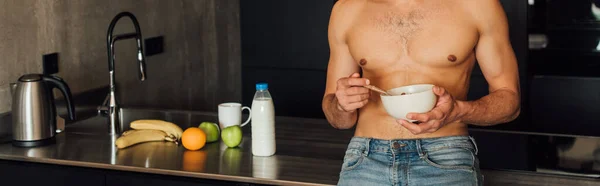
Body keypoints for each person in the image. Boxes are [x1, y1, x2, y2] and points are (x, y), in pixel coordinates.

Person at [321, 0, 520, 185]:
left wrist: (459, 111)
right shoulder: (348, 10)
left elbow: (510, 101)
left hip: (446, 156)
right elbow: (338, 119)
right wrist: (341, 105)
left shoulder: (478, 6)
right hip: (366, 158)